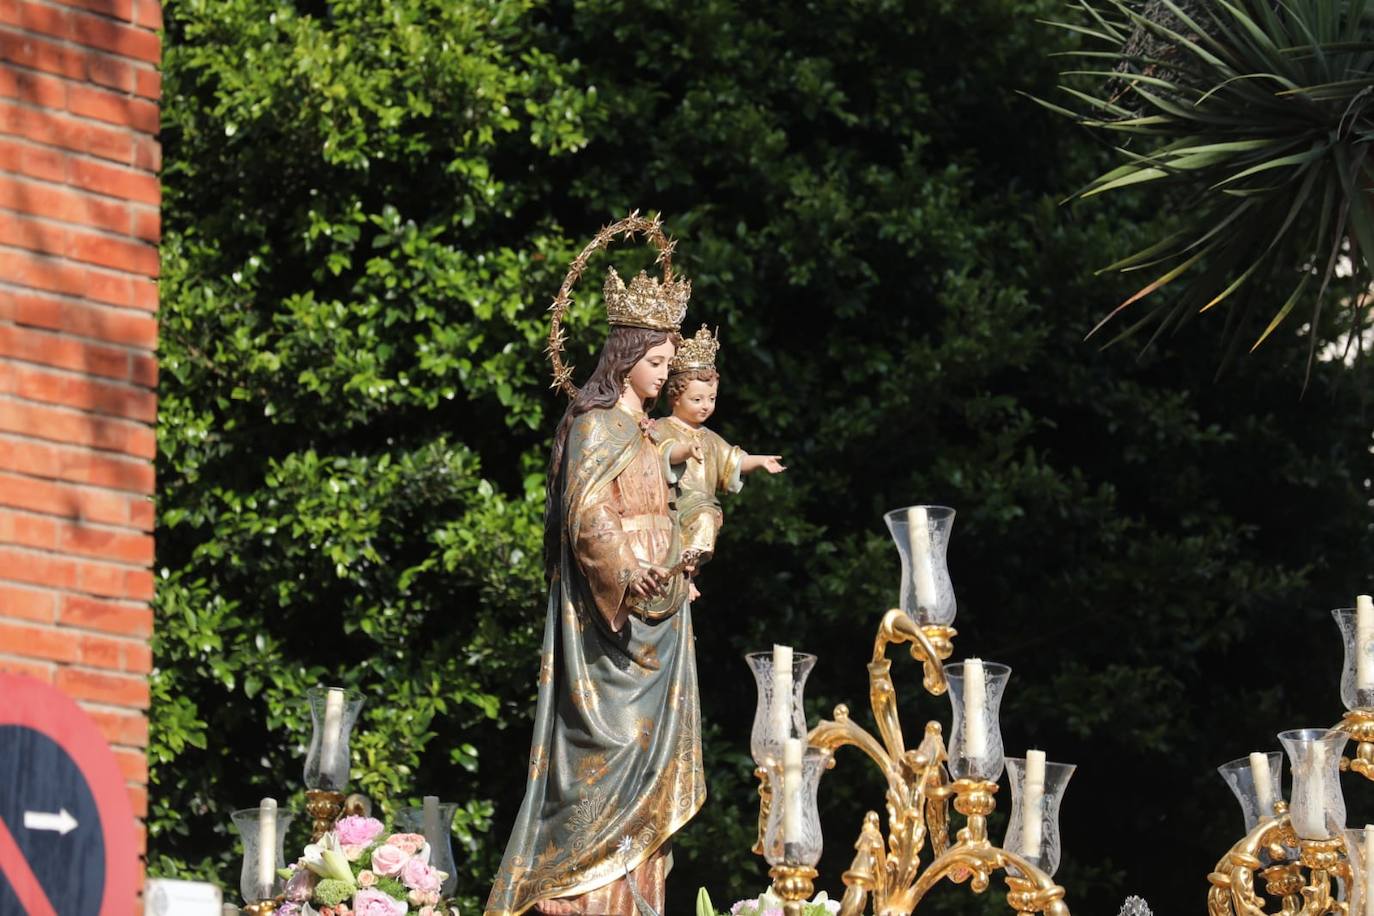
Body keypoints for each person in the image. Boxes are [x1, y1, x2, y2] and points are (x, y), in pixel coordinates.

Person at [485, 264, 702, 916]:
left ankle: (638, 898)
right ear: (627, 356)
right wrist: (628, 573)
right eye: (656, 360)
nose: (665, 374)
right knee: (605, 754)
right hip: (610, 628)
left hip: (663, 621)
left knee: (652, 767)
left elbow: (677, 506)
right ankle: (574, 891)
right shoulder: (593, 425)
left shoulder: (655, 434)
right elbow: (586, 517)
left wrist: (681, 561)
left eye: (669, 362)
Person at [655, 325, 786, 570]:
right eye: (697, 399)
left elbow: (732, 461)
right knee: (704, 516)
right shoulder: (663, 427)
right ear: (675, 397)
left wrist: (759, 461)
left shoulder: (710, 438)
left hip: (703, 505)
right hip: (675, 505)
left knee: (707, 517)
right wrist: (685, 451)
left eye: (711, 399)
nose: (706, 406)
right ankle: (684, 570)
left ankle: (688, 572)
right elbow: (664, 453)